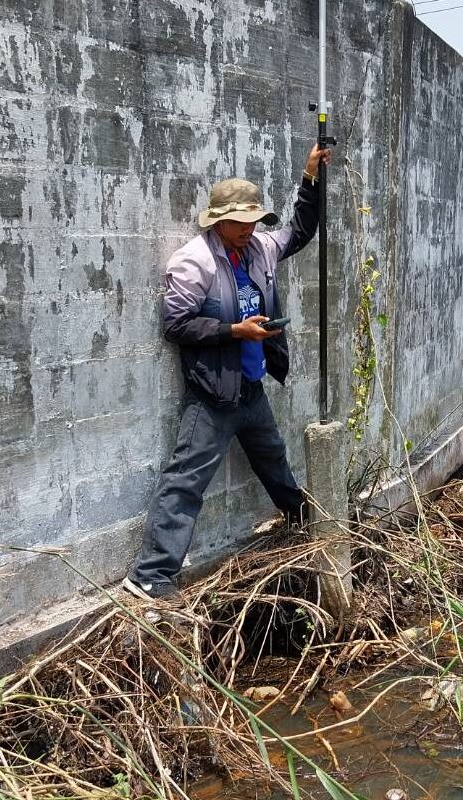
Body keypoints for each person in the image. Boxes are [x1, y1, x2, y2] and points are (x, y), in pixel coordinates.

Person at [124, 144, 332, 600]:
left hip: (252, 389)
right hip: (214, 395)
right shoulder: (192, 262)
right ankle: (151, 576)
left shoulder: (258, 248)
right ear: (218, 221)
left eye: (254, 221)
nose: (250, 229)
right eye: (241, 222)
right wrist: (233, 330)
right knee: (186, 481)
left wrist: (310, 180)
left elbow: (299, 231)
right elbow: (176, 325)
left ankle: (304, 525)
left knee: (275, 461)